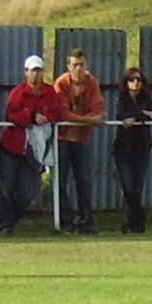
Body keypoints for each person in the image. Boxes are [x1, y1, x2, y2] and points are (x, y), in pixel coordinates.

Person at [0, 55, 59, 235]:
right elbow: (10, 115)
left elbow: (56, 114)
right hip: (11, 148)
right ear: (25, 72)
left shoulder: (50, 93)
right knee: (7, 189)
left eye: (38, 70)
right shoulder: (17, 93)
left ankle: (10, 220)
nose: (35, 74)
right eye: (32, 70)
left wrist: (45, 118)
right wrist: (31, 117)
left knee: (28, 193)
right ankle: (5, 226)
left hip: (35, 152)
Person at [54, 48, 105, 235]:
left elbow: (98, 108)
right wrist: (89, 120)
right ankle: (66, 222)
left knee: (84, 182)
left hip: (81, 139)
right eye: (74, 65)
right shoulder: (60, 84)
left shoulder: (92, 83)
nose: (78, 69)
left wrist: (83, 118)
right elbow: (63, 114)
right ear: (68, 67)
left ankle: (86, 221)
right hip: (62, 139)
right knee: (59, 183)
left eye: (81, 65)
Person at [112, 67, 152, 234]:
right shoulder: (122, 98)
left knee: (137, 187)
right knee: (128, 186)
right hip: (123, 148)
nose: (135, 83)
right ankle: (139, 217)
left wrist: (137, 115)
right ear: (126, 82)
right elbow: (120, 115)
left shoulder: (146, 98)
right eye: (132, 79)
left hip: (142, 147)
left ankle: (135, 224)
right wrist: (141, 114)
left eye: (138, 79)